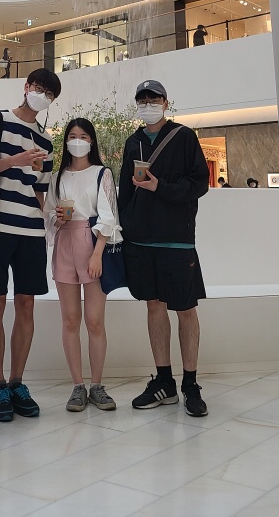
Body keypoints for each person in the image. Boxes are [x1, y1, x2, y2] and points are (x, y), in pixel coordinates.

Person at [118, 79, 210, 417]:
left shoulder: (183, 137)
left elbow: (199, 183)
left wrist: (161, 187)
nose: (148, 105)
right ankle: (164, 381)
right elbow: (125, 192)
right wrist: (125, 229)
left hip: (177, 240)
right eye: (142, 100)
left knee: (186, 309)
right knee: (154, 307)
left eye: (153, 99)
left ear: (165, 103)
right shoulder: (133, 142)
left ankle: (191, 384)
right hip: (141, 242)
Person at [0, 68, 61, 422]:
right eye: (39, 88)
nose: (42, 96)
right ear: (26, 87)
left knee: (26, 304)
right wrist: (16, 160)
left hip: (31, 231)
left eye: (50, 95)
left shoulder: (47, 141)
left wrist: (52, 219)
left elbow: (40, 191)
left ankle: (17, 382)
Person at [46, 118, 120, 412]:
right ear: (65, 141)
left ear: (92, 141)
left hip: (91, 244)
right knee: (70, 320)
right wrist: (56, 219)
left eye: (84, 136)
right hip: (64, 243)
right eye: (73, 136)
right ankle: (77, 386)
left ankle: (97, 385)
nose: (78, 141)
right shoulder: (57, 176)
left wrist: (97, 253)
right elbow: (48, 215)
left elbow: (109, 217)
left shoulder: (102, 173)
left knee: (95, 320)